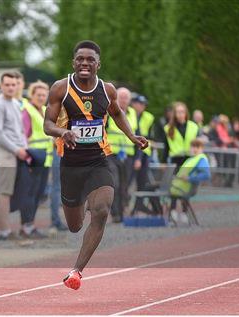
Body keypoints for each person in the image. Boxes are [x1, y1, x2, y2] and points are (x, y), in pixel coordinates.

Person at [43, 40, 148, 290]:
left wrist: (132, 136)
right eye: (80, 59)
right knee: (75, 225)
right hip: (70, 165)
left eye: (90, 59)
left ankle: (76, 271)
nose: (85, 63)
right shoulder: (61, 88)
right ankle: (80, 205)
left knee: (101, 210)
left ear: (98, 64)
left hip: (99, 160)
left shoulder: (107, 90)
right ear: (73, 62)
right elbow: (47, 124)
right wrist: (62, 132)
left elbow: (118, 113)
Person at [0, 72, 29, 241]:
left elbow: (18, 130)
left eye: (14, 84)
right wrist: (16, 150)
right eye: (7, 84)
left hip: (18, 152)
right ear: (1, 86)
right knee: (4, 192)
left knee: (12, 191)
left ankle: (9, 229)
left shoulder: (14, 103)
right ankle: (3, 231)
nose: (11, 87)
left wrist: (25, 148)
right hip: (6, 153)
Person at [20, 81, 53, 238]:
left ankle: (30, 225)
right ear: (31, 95)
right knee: (30, 193)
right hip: (33, 158)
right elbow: (23, 135)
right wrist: (27, 158)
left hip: (45, 159)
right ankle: (27, 226)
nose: (41, 97)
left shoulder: (46, 110)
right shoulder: (27, 111)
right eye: (38, 94)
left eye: (44, 94)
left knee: (39, 194)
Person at [105, 87, 136, 222]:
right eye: (121, 97)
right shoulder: (110, 110)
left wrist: (139, 157)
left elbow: (137, 133)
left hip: (128, 155)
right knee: (115, 183)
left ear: (129, 100)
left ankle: (122, 213)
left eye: (126, 98)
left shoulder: (133, 113)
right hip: (111, 154)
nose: (123, 100)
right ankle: (115, 213)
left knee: (125, 185)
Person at [170, 139, 210, 222]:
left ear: (202, 149)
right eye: (193, 147)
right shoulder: (191, 159)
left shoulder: (201, 160)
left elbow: (206, 175)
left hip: (186, 188)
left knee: (159, 189)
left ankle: (174, 213)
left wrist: (190, 178)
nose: (195, 149)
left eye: (197, 147)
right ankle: (175, 212)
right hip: (179, 187)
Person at [130, 94, 155, 214]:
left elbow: (150, 136)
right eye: (140, 104)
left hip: (144, 152)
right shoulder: (128, 115)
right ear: (133, 104)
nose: (142, 106)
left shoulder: (149, 117)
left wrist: (139, 157)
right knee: (128, 181)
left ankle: (138, 205)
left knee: (142, 182)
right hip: (131, 152)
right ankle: (125, 206)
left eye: (144, 104)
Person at [164, 102, 199, 169]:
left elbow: (197, 145)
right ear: (175, 114)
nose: (180, 114)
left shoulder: (194, 126)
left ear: (186, 113)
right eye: (178, 112)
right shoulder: (168, 128)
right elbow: (166, 147)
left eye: (182, 111)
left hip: (190, 159)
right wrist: (164, 162)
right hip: (175, 159)